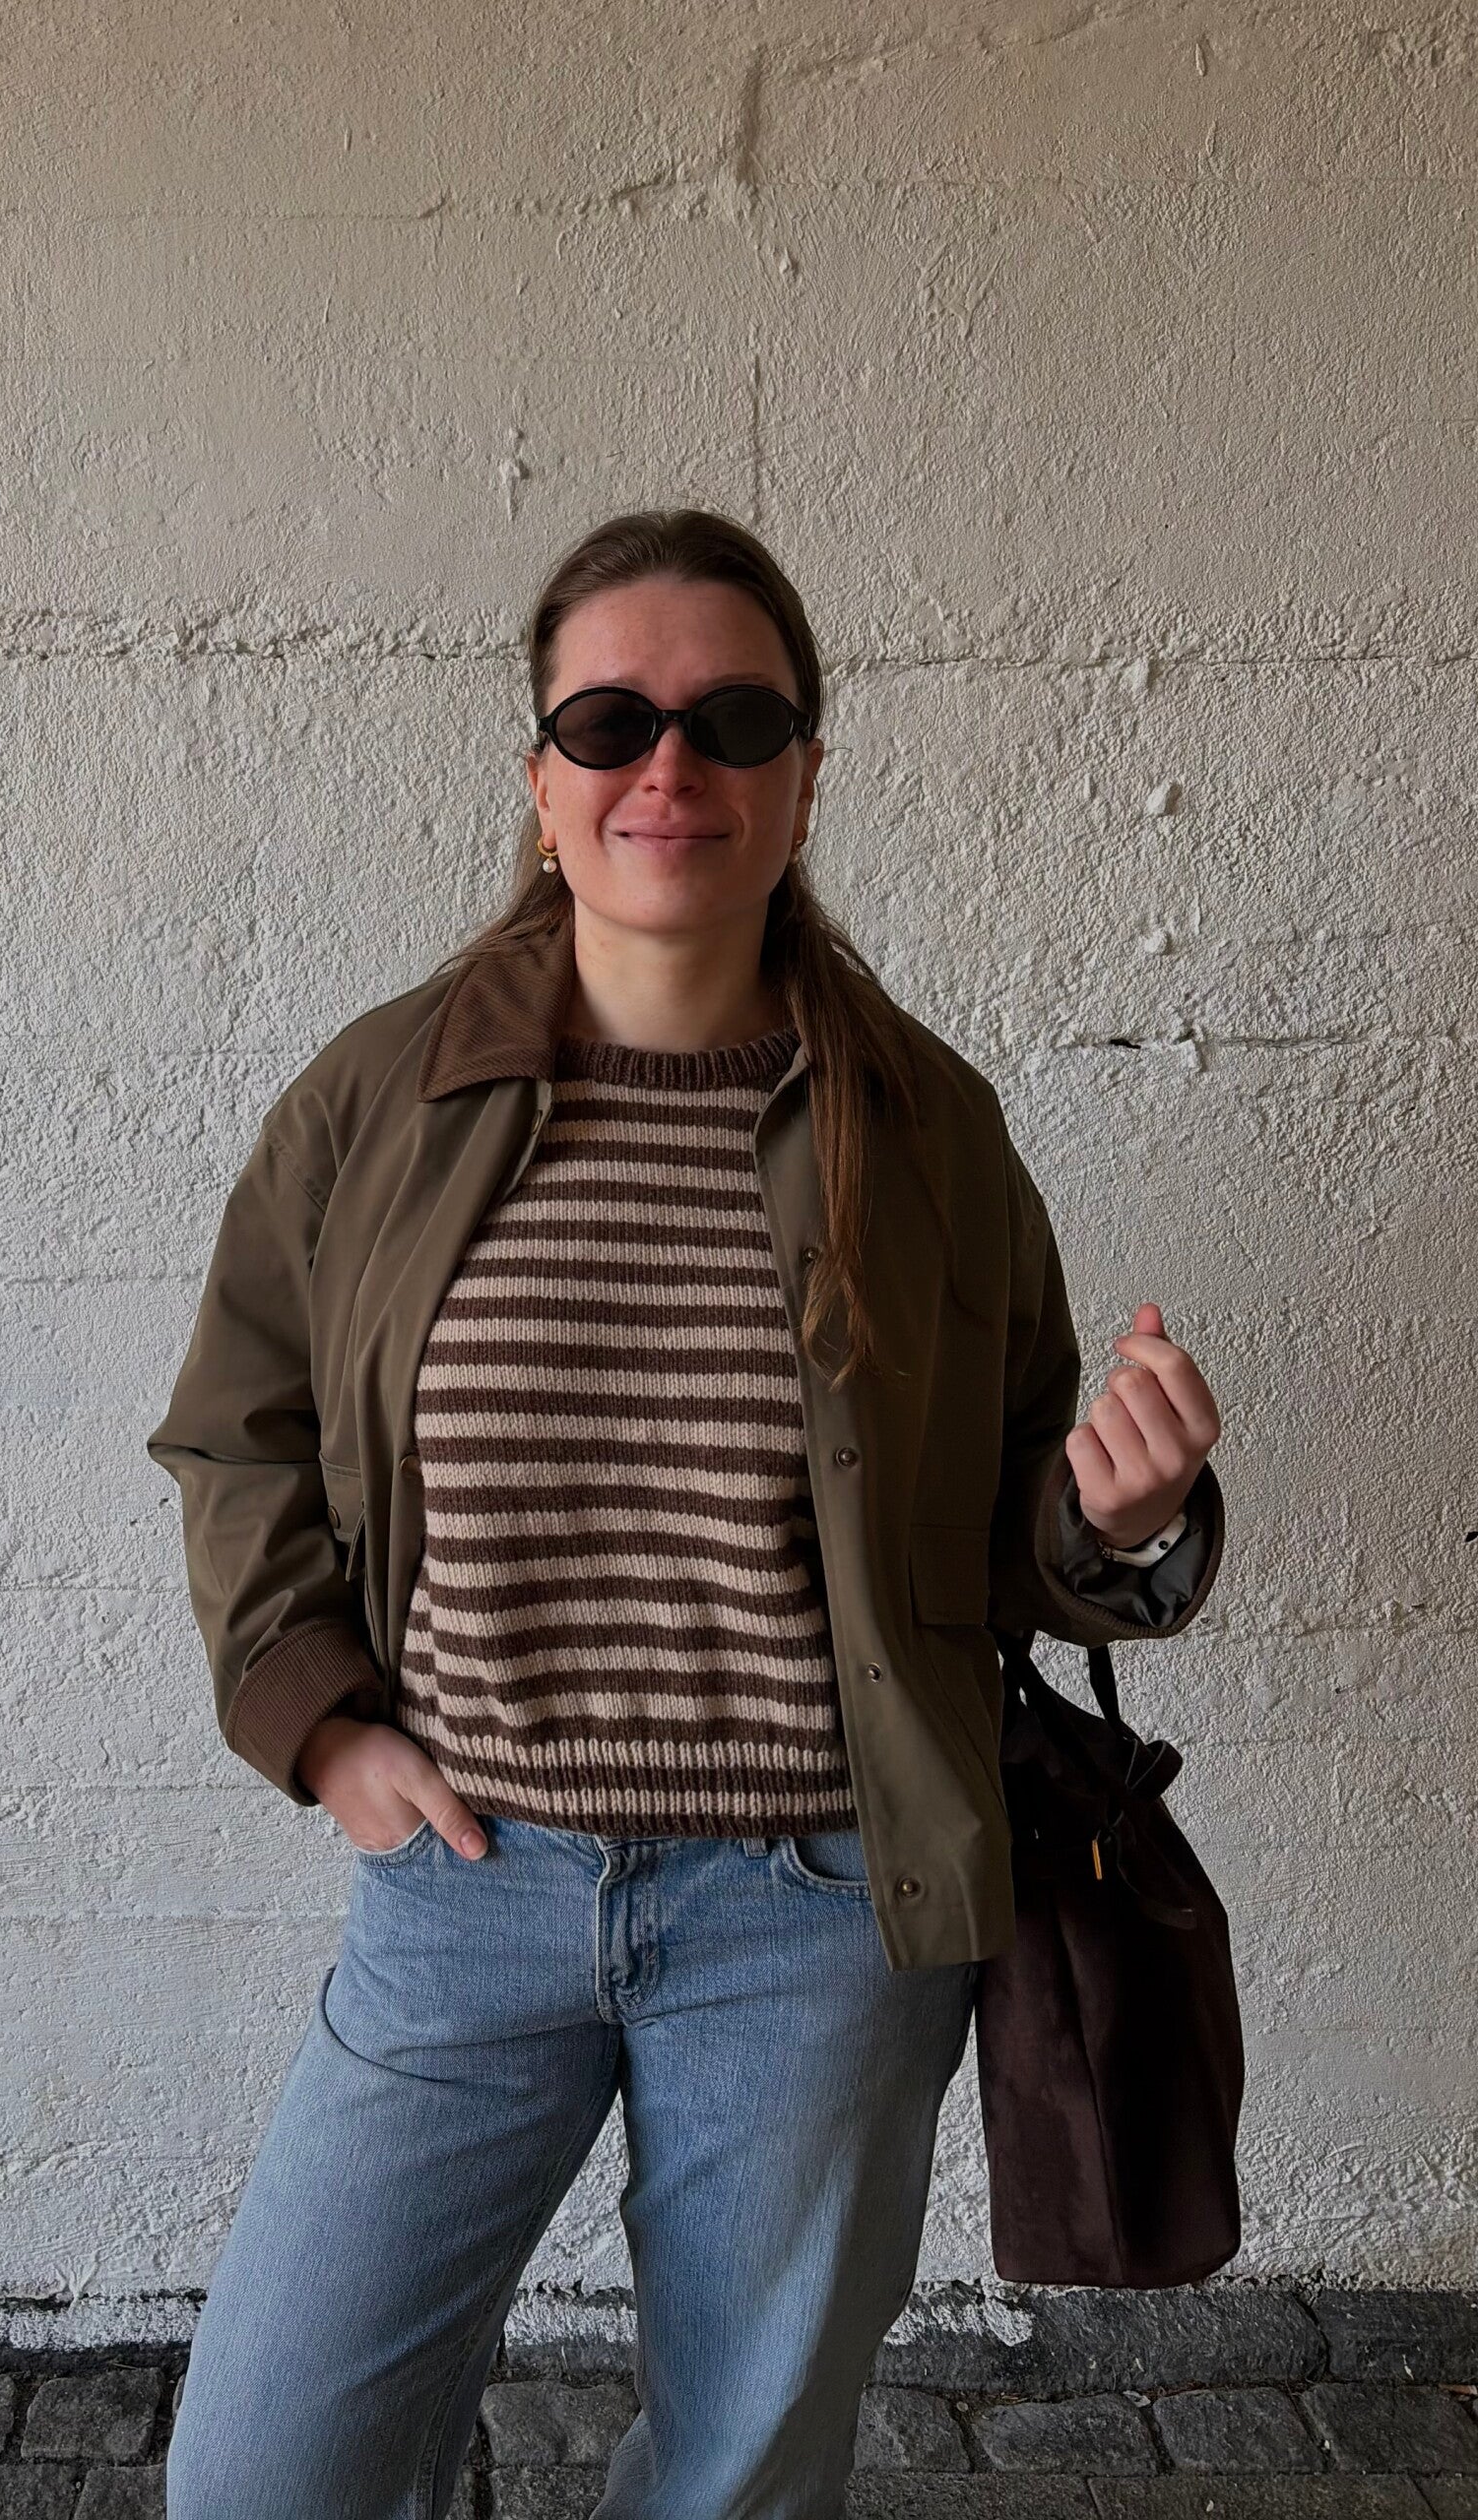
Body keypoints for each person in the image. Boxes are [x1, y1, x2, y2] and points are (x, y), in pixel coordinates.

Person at [147, 508, 1226, 2520]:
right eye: (610, 720)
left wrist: (1114, 1512)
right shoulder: (378, 1103)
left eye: (734, 718)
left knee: (736, 2481)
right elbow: (238, 1433)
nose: (671, 764)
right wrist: (321, 1721)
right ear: (541, 775)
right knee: (268, 2472)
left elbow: (999, 1530)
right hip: (470, 1882)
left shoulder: (929, 1130)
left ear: (805, 773)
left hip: (818, 1912)